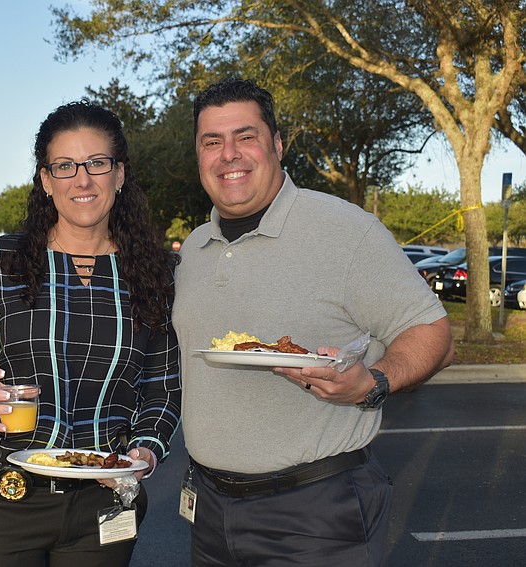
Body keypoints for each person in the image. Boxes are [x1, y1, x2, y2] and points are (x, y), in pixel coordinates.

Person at [172, 78, 455, 566]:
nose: (229, 155)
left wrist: (374, 383)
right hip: (210, 510)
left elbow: (435, 336)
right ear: (198, 155)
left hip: (316, 512)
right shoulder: (195, 248)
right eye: (211, 141)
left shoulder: (345, 230)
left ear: (277, 144)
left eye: (246, 136)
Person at [0, 100, 181, 567]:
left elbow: (162, 388)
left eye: (96, 164)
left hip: (105, 504)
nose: (81, 180)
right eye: (64, 166)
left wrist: (145, 450)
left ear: (119, 175)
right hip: (3, 500)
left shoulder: (157, 274)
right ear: (46, 180)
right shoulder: (3, 259)